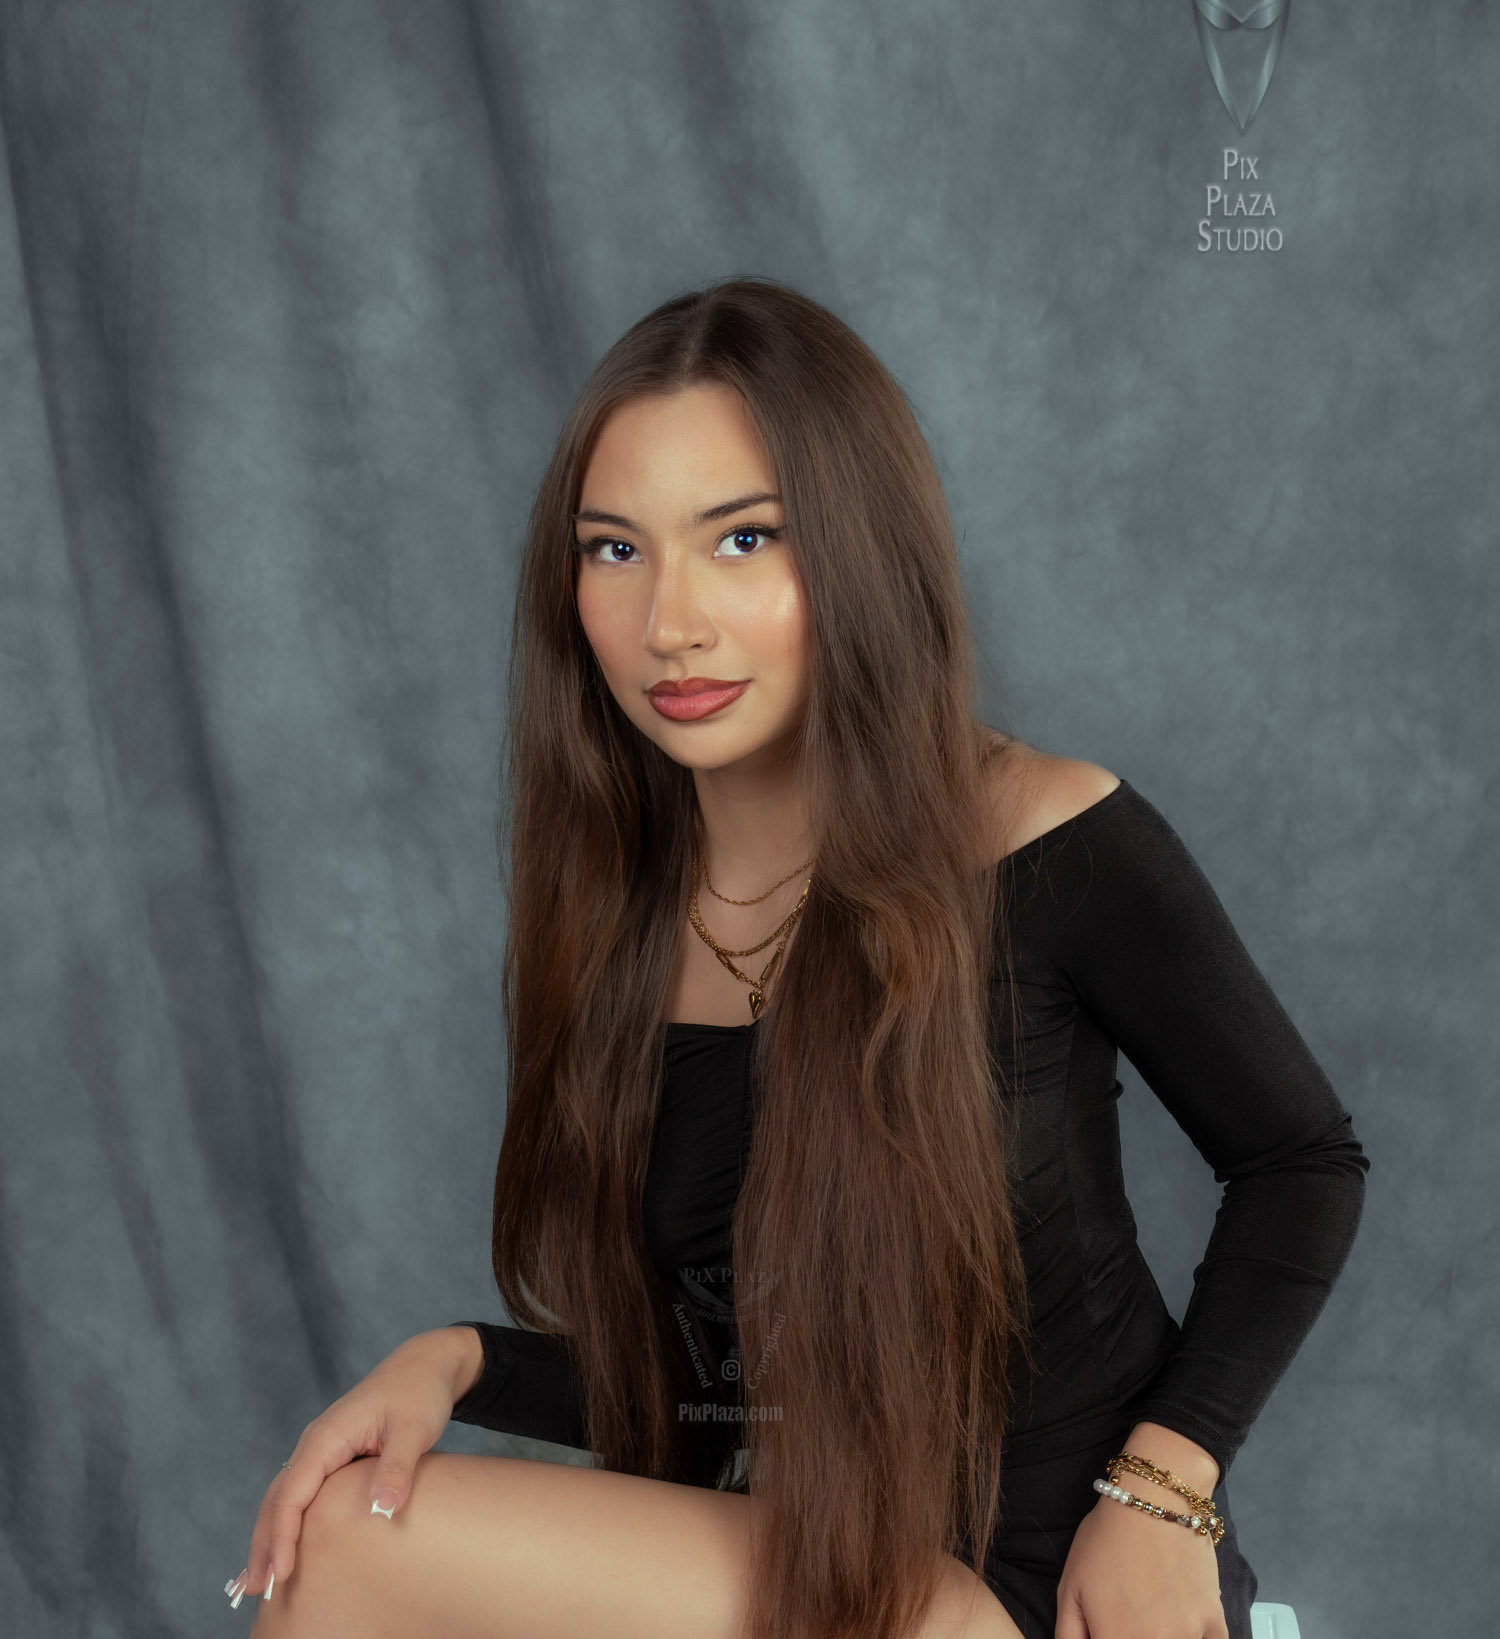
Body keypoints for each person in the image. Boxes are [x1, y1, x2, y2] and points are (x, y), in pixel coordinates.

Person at [229, 277, 1369, 1639]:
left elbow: (1299, 1164)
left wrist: (1165, 1488)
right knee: (349, 1535)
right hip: (836, 1570)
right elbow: (704, 1381)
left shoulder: (1046, 838)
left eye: (743, 539)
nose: (671, 625)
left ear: (855, 550)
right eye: (614, 551)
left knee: (356, 1561)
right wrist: (453, 1359)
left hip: (1064, 1593)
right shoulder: (623, 932)